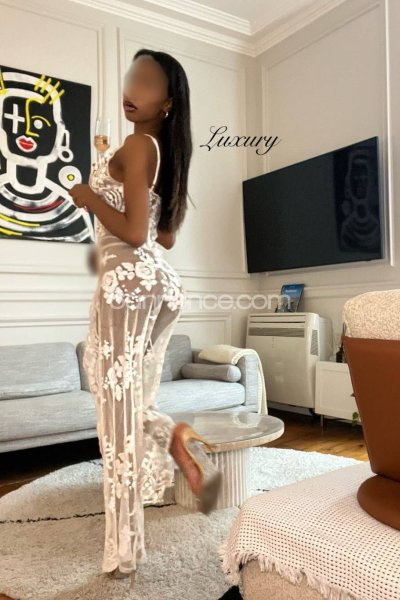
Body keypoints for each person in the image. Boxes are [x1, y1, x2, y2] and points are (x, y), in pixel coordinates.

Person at [69, 49, 223, 588]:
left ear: (168, 102)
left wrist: (88, 196)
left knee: (115, 418)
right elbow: (165, 236)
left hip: (126, 283)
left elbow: (133, 233)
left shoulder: (138, 145)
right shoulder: (161, 151)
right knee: (129, 401)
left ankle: (124, 551)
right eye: (131, 76)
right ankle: (176, 438)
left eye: (147, 81)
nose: (132, 87)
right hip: (157, 282)